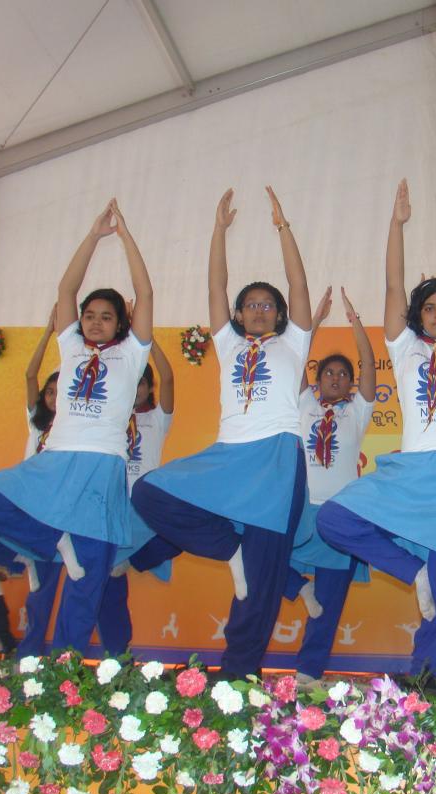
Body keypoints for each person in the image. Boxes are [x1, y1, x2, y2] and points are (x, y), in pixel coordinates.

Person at [317, 178, 436, 686]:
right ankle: (412, 572)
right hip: (416, 468)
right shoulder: (404, 349)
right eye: (430, 308)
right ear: (418, 317)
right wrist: (396, 224)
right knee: (334, 520)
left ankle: (421, 685)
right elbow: (393, 285)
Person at [132, 187, 312, 679]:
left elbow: (299, 286)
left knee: (259, 584)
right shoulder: (229, 344)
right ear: (237, 315)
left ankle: (238, 677)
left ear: (279, 315)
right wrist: (217, 231)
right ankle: (228, 549)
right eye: (250, 305)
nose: (259, 310)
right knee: (148, 493)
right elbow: (215, 287)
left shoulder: (293, 343)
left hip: (276, 459)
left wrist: (283, 228)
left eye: (267, 306)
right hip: (229, 456)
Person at [0, 199, 153, 652]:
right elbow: (66, 290)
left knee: (85, 586)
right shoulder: (69, 347)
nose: (95, 321)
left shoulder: (131, 354)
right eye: (90, 315)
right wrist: (92, 237)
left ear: (121, 323)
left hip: (101, 466)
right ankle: (53, 539)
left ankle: (64, 672)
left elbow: (146, 294)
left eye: (107, 316)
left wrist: (126, 238)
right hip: (55, 461)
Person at [282, 286, 375, 687]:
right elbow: (296, 357)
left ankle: (308, 671)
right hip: (301, 506)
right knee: (264, 561)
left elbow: (370, 364)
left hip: (340, 514)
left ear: (350, 384)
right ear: (318, 379)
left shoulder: (357, 411)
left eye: (343, 375)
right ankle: (298, 589)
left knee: (331, 599)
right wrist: (314, 322)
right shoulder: (303, 404)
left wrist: (356, 325)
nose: (336, 378)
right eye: (329, 373)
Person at [99, 338, 176, 656]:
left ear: (148, 387)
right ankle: (117, 654)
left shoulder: (158, 417)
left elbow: (169, 377)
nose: (135, 390)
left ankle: (135, 558)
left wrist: (148, 339)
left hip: (146, 509)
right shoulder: (108, 418)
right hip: (112, 508)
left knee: (179, 536)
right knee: (109, 586)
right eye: (129, 384)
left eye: (141, 384)